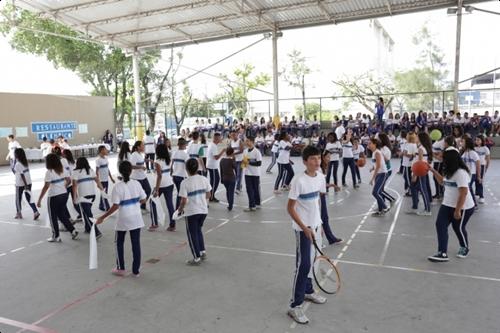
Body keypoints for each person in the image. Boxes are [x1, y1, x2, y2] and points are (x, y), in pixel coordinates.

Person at [287, 145, 327, 325]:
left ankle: (308, 290)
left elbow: (316, 201)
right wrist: (305, 227)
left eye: (318, 158)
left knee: (313, 261)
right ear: (305, 161)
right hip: (302, 229)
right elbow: (290, 208)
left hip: (316, 227)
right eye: (312, 158)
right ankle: (295, 305)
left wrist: (320, 224)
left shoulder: (320, 177)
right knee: (303, 264)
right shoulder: (298, 180)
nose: (317, 161)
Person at [96, 161, 146, 276]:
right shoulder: (137, 184)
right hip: (136, 218)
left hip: (123, 219)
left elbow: (115, 206)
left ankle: (120, 268)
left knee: (119, 242)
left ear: (120, 172)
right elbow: (143, 199)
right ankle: (136, 270)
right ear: (131, 171)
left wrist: (103, 217)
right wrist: (135, 202)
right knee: (136, 244)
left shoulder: (117, 187)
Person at [427, 147, 475, 262]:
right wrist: (433, 171)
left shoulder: (461, 173)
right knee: (440, 225)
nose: (441, 158)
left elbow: (463, 193)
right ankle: (442, 253)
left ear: (450, 158)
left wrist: (458, 210)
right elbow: (442, 182)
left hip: (463, 206)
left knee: (458, 227)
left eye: (443, 156)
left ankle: (464, 247)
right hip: (447, 204)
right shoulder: (448, 170)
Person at [37, 153, 79, 242]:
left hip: (54, 196)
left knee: (53, 216)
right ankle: (73, 230)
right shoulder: (62, 169)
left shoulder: (49, 172)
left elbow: (46, 187)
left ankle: (56, 236)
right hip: (63, 194)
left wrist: (39, 199)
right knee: (61, 214)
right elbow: (68, 180)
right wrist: (63, 186)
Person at [177, 159, 212, 266]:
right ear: (197, 168)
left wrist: (180, 209)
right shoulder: (204, 179)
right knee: (198, 230)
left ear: (186, 169)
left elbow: (183, 200)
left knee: (192, 235)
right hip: (203, 211)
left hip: (192, 212)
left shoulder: (185, 182)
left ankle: (196, 258)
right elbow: (209, 195)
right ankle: (202, 251)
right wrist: (200, 199)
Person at [72, 157, 103, 237]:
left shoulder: (75, 172)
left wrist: (74, 197)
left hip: (83, 196)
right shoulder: (90, 170)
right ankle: (87, 228)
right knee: (86, 212)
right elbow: (97, 181)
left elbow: (74, 186)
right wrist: (102, 189)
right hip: (92, 195)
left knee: (88, 214)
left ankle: (96, 232)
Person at [408, 132, 432, 216]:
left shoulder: (421, 149)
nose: (416, 138)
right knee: (413, 188)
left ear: (421, 139)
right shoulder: (420, 148)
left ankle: (428, 210)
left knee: (423, 190)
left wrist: (415, 175)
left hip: (420, 172)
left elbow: (420, 163)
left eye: (417, 137)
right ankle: (414, 207)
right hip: (419, 171)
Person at [152, 144, 176, 231]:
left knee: (152, 202)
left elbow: (159, 176)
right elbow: (170, 171)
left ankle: (154, 224)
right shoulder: (168, 160)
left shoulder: (157, 161)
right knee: (170, 204)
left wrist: (156, 189)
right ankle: (172, 225)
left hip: (161, 184)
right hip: (169, 183)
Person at [13, 148, 40, 220]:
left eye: (15, 153)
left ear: (16, 155)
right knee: (29, 198)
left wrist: (25, 185)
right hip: (29, 182)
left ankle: (19, 213)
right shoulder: (25, 162)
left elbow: (21, 175)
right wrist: (27, 185)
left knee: (18, 199)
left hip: (20, 184)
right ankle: (35, 211)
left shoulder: (17, 164)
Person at [368, 138, 389, 217]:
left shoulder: (377, 152)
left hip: (382, 174)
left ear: (375, 144)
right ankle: (380, 211)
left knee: (375, 192)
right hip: (379, 173)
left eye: (370, 143)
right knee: (378, 192)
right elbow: (377, 164)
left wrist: (372, 178)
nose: (368, 145)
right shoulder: (374, 153)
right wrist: (372, 168)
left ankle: (385, 207)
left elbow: (379, 166)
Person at [129, 141, 152, 212]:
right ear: (138, 147)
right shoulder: (134, 155)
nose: (144, 146)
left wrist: (147, 160)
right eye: (142, 145)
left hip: (143, 176)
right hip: (136, 178)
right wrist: (141, 167)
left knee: (148, 190)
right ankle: (136, 207)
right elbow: (131, 166)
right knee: (138, 194)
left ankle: (142, 205)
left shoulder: (139, 154)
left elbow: (141, 161)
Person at [243, 136, 262, 212]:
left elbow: (259, 163)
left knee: (256, 189)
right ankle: (252, 205)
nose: (246, 142)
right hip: (247, 173)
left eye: (248, 141)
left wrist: (249, 162)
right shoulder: (245, 151)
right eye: (246, 141)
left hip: (255, 174)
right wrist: (243, 164)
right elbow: (244, 162)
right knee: (249, 190)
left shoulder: (257, 152)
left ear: (252, 142)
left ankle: (257, 203)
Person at [461, 136, 480, 208]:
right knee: (468, 188)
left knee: (468, 187)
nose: (461, 143)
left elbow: (478, 165)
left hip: (471, 173)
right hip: (466, 174)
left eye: (463, 142)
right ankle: (472, 203)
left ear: (467, 143)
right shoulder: (464, 152)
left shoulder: (473, 153)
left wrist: (478, 176)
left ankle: (474, 204)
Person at [206, 133, 226, 202]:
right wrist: (223, 151)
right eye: (220, 138)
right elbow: (216, 157)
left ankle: (212, 195)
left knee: (214, 180)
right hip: (212, 166)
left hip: (212, 165)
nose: (221, 139)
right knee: (215, 181)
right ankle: (211, 197)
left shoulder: (212, 145)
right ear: (216, 139)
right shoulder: (213, 146)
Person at [96, 145, 115, 211]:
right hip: (102, 180)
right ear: (101, 151)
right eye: (105, 149)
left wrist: (111, 178)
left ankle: (101, 205)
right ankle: (107, 207)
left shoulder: (106, 158)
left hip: (106, 179)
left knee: (104, 192)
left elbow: (107, 169)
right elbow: (97, 171)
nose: (106, 150)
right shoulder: (98, 160)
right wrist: (98, 182)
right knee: (104, 193)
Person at [171, 138, 189, 210]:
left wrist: (172, 172)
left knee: (180, 193)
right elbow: (188, 167)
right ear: (184, 145)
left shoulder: (174, 153)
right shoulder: (185, 155)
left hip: (175, 176)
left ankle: (179, 208)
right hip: (182, 176)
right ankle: (178, 209)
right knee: (181, 194)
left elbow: (171, 164)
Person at [474, 135, 490, 204]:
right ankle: (477, 192)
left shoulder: (485, 148)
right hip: (474, 166)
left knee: (480, 180)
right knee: (475, 179)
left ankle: (481, 196)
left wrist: (486, 167)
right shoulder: (474, 148)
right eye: (476, 140)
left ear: (482, 141)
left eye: (478, 140)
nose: (477, 141)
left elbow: (488, 158)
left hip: (482, 166)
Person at [220, 147, 237, 211]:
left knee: (227, 191)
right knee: (231, 192)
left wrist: (221, 179)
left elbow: (221, 171)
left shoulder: (222, 160)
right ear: (232, 153)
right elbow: (235, 168)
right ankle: (230, 205)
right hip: (231, 178)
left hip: (224, 178)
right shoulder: (231, 160)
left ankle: (229, 204)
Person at [401, 132, 418, 196]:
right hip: (409, 163)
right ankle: (408, 189)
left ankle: (411, 190)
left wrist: (404, 153)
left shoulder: (409, 144)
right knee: (406, 176)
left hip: (408, 164)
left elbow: (406, 154)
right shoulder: (414, 144)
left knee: (407, 177)